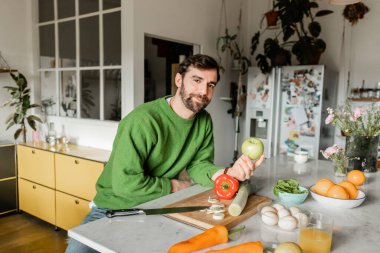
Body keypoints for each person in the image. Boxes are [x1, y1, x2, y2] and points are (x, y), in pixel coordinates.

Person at [65, 54, 264, 253]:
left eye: (210, 85)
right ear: (179, 80)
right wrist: (176, 185)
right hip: (113, 208)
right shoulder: (143, 120)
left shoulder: (204, 121)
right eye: (197, 80)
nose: (203, 91)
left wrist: (227, 174)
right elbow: (125, 185)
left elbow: (199, 165)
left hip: (158, 205)